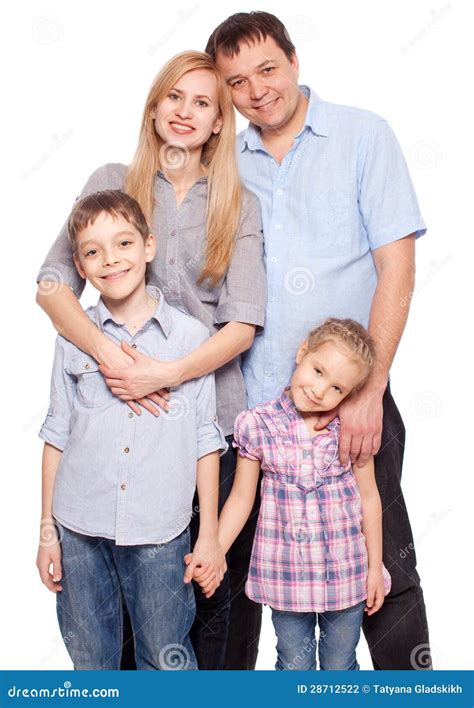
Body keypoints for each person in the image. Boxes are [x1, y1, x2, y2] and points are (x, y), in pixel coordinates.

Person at [205, 11, 432, 670]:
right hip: (250, 412)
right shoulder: (227, 162)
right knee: (240, 583)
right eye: (237, 82)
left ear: (295, 60)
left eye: (267, 69)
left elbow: (398, 268)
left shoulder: (363, 136)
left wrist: (369, 390)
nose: (257, 91)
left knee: (383, 568)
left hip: (350, 400)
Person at [35, 51, 266, 670]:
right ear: (154, 105)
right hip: (111, 417)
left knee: (209, 626)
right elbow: (53, 285)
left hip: (207, 426)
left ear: (221, 121)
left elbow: (242, 324)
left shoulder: (235, 202)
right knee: (111, 634)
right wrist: (115, 359)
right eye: (173, 97)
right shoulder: (113, 179)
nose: (184, 112)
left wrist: (160, 374)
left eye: (201, 103)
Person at [36, 190, 228, 670]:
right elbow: (56, 432)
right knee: (92, 662)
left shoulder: (191, 341)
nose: (110, 260)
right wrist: (46, 530)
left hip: (161, 532)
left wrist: (209, 536)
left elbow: (206, 441)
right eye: (92, 251)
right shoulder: (72, 340)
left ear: (148, 246)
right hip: (79, 527)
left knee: (165, 662)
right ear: (79, 266)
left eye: (123, 243)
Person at [195, 319, 392, 670]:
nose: (319, 390)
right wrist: (215, 551)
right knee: (292, 665)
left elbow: (370, 498)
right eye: (318, 371)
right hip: (285, 574)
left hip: (345, 572)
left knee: (340, 665)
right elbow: (242, 498)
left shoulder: (348, 430)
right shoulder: (257, 424)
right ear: (303, 353)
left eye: (336, 388)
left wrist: (375, 567)